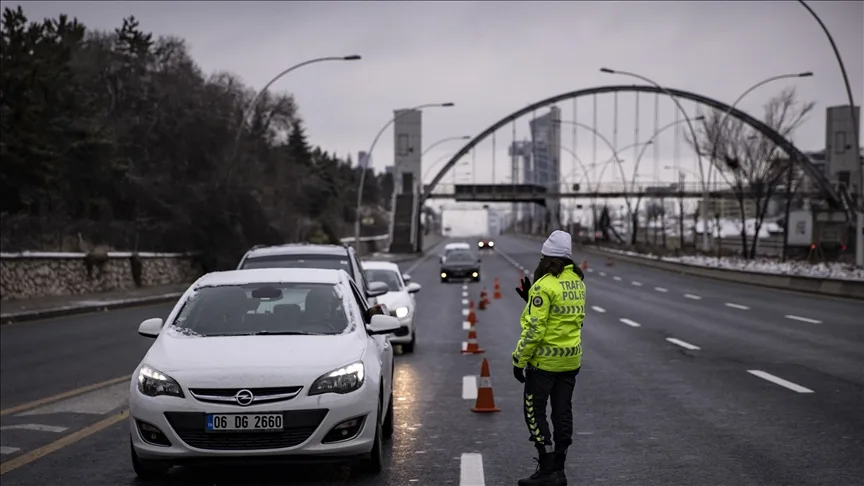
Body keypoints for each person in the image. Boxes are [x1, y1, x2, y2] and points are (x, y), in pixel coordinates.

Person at [511, 230, 586, 486]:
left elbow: (535, 329)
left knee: (534, 411)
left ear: (546, 258)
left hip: (544, 363)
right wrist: (530, 300)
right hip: (570, 360)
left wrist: (519, 360)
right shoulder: (577, 282)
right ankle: (560, 470)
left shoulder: (544, 285)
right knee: (563, 413)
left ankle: (545, 470)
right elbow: (565, 319)